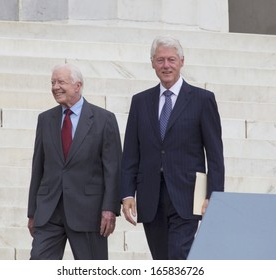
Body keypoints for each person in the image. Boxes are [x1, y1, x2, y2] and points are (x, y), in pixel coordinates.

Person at [120, 35, 225, 260]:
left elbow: (215, 155)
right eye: (160, 60)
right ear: (152, 63)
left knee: (179, 256)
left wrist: (213, 196)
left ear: (181, 62)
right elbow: (130, 153)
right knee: (161, 259)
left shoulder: (202, 99)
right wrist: (127, 193)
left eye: (171, 60)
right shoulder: (140, 102)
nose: (166, 66)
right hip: (150, 197)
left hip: (187, 196)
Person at [27, 63, 122, 260]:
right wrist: (32, 212)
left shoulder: (104, 119)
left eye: (61, 82)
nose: (55, 87)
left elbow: (113, 169)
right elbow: (38, 167)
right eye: (52, 82)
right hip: (49, 210)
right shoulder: (45, 119)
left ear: (78, 86)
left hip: (88, 211)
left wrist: (110, 208)